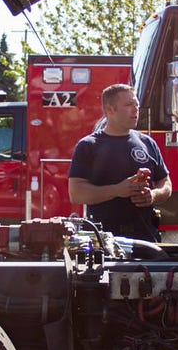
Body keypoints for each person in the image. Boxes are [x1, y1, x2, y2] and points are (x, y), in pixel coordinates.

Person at [68, 84, 172, 242]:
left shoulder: (147, 143)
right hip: (105, 243)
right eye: (129, 105)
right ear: (110, 110)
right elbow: (76, 193)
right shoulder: (89, 146)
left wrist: (153, 195)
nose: (136, 109)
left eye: (136, 105)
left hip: (147, 239)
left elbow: (166, 183)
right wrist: (117, 190)